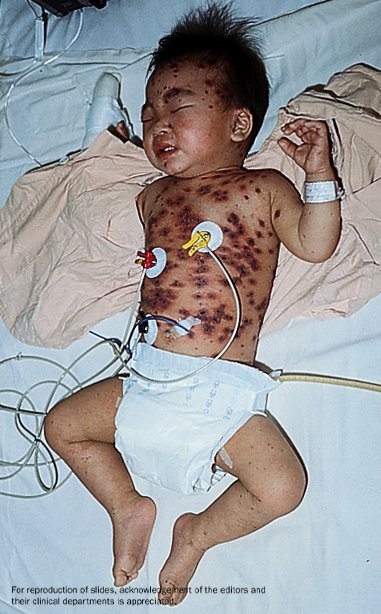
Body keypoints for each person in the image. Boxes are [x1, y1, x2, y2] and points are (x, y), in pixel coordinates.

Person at [44, 2, 342, 606]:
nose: (157, 122)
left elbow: (316, 243)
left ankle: (198, 532)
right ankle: (127, 506)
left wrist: (318, 170)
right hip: (145, 380)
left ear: (237, 125)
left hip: (218, 390)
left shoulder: (264, 188)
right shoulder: (152, 195)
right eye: (150, 110)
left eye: (176, 107)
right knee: (61, 427)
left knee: (283, 487)